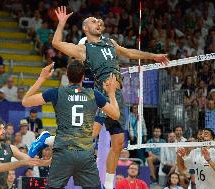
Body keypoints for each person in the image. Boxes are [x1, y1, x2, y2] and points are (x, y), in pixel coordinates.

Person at [52, 7, 169, 189]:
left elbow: (130, 53)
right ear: (85, 28)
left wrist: (154, 56)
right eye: (93, 21)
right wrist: (61, 23)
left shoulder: (110, 42)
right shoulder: (84, 49)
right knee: (90, 136)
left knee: (118, 143)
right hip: (100, 95)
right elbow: (57, 44)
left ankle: (107, 185)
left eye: (99, 21)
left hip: (117, 96)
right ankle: (51, 140)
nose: (98, 23)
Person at [22, 61, 120, 188]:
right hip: (85, 153)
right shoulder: (94, 94)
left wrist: (42, 78)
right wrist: (111, 93)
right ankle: (47, 139)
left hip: (63, 152)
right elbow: (116, 115)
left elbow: (25, 101)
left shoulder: (56, 92)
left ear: (66, 75)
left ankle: (47, 139)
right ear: (84, 77)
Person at [0, 120, 50, 189]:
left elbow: (30, 161)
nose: (3, 131)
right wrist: (21, 162)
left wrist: (49, 161)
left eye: (3, 128)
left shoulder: (11, 148)